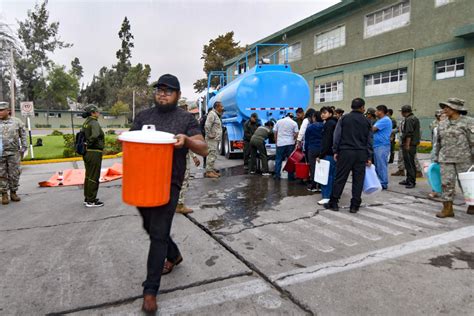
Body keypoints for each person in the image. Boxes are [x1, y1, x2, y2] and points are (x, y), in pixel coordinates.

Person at [130, 74, 208, 313]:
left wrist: (186, 141)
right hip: (143, 182)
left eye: (168, 91)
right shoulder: (143, 116)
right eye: (159, 90)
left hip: (169, 182)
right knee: (150, 227)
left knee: (158, 233)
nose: (162, 94)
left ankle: (150, 290)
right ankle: (174, 255)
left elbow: (204, 148)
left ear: (178, 95)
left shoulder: (185, 119)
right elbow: (131, 141)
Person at [324, 98, 372, 213]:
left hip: (345, 152)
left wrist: (335, 150)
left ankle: (334, 202)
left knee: (340, 178)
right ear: (362, 107)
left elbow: (337, 136)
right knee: (358, 180)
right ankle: (354, 205)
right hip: (361, 153)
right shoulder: (367, 121)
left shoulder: (344, 118)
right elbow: (370, 140)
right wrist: (369, 156)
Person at [434, 98, 474, 218]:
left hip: (464, 159)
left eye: (448, 107)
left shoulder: (468, 122)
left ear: (457, 109)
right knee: (446, 184)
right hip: (445, 158)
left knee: (467, 184)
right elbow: (438, 142)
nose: (445, 109)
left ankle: (472, 205)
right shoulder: (442, 123)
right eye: (444, 107)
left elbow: (473, 141)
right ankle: (448, 209)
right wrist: (436, 156)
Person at [176, 101, 201, 214]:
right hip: (181, 156)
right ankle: (179, 205)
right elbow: (187, 142)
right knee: (183, 179)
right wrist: (194, 157)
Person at [0, 102, 27, 205]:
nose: (0, 112)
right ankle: (4, 194)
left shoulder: (17, 122)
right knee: (1, 174)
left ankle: (13, 192)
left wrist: (24, 147)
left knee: (14, 173)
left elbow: (23, 135)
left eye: (2, 110)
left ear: (8, 111)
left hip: (13, 152)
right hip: (0, 153)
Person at [81, 104, 105, 208]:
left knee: (88, 176)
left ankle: (87, 198)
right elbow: (95, 135)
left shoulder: (86, 122)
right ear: (92, 112)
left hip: (87, 152)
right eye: (97, 111)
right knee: (94, 176)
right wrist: (89, 143)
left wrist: (86, 145)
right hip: (94, 152)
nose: (98, 113)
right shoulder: (94, 122)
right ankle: (91, 200)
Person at [317, 106, 338, 205]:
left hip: (328, 154)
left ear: (330, 114)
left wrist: (320, 155)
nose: (322, 114)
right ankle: (332, 195)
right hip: (334, 153)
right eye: (321, 113)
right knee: (332, 175)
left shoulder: (329, 124)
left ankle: (326, 196)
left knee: (326, 176)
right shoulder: (335, 122)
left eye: (325, 113)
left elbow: (327, 141)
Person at [398, 105, 421, 189]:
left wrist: (407, 145)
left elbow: (409, 133)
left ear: (404, 112)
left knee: (410, 164)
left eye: (401, 111)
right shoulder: (413, 118)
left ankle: (411, 181)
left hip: (410, 145)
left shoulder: (409, 119)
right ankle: (408, 179)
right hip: (411, 144)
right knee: (408, 163)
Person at [372, 105, 392, 190]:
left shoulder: (385, 120)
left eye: (377, 111)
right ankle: (379, 181)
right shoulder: (380, 120)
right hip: (378, 145)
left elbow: (373, 129)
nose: (375, 112)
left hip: (382, 145)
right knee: (378, 165)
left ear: (381, 111)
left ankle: (383, 183)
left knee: (381, 165)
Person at [274, 113, 299, 180]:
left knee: (278, 159)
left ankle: (277, 176)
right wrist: (294, 138)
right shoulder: (294, 123)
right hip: (290, 143)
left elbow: (275, 132)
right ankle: (290, 177)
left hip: (280, 143)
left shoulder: (279, 121)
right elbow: (297, 133)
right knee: (290, 160)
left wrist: (276, 142)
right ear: (292, 117)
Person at [304, 111, 324, 192]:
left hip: (312, 149)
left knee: (313, 168)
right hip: (322, 149)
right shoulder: (324, 126)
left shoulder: (310, 127)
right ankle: (321, 186)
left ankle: (313, 185)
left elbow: (307, 140)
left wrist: (305, 150)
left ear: (315, 117)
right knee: (322, 167)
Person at [204, 100, 223, 178]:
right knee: (211, 154)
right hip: (211, 139)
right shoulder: (212, 114)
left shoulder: (216, 114)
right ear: (217, 107)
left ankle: (211, 170)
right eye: (221, 106)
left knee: (213, 155)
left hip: (215, 139)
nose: (222, 108)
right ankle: (209, 172)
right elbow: (207, 125)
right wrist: (209, 135)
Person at [428, 110, 445, 199]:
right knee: (435, 171)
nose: (441, 117)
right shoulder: (435, 126)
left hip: (449, 153)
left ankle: (448, 190)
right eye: (440, 116)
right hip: (436, 151)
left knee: (447, 173)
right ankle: (435, 190)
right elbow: (434, 140)